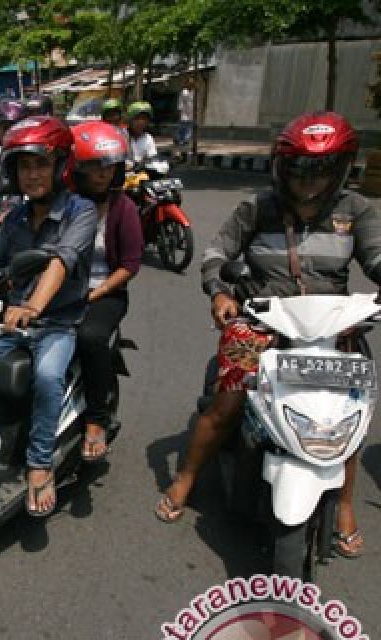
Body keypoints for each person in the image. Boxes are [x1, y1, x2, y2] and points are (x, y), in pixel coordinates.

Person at [155, 111, 381, 561]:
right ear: (284, 168)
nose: (309, 180)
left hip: (331, 325)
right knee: (227, 403)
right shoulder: (257, 207)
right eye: (299, 168)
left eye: (321, 169)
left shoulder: (356, 210)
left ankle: (345, 505)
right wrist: (220, 292)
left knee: (350, 410)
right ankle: (186, 477)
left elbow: (376, 258)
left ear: (340, 169)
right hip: (263, 319)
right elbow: (218, 253)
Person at [0, 116, 97, 516]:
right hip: (12, 321)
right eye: (24, 166)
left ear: (61, 164)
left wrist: (33, 307)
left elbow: (61, 262)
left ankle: (39, 462)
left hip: (57, 322)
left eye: (40, 164)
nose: (32, 174)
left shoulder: (81, 212)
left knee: (46, 377)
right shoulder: (15, 217)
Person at [70, 121, 144, 462]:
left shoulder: (124, 208)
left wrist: (93, 295)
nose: (101, 174)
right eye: (93, 166)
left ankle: (96, 421)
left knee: (89, 337)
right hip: (62, 290)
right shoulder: (66, 204)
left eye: (107, 166)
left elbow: (128, 266)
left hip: (106, 293)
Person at [174, 82, 194, 147]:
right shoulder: (184, 92)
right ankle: (178, 139)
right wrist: (180, 111)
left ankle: (186, 140)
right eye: (189, 83)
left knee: (189, 127)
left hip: (191, 112)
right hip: (184, 112)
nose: (191, 85)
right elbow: (181, 102)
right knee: (182, 126)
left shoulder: (193, 92)